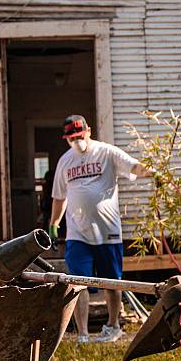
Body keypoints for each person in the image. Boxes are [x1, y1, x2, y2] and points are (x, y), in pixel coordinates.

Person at [48, 115, 154, 344]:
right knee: (77, 284)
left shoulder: (107, 152)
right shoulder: (65, 161)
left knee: (112, 281)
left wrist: (153, 171)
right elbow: (59, 197)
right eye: (71, 138)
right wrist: (54, 223)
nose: (76, 141)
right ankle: (83, 334)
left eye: (79, 136)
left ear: (88, 131)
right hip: (78, 233)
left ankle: (114, 326)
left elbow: (134, 166)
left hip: (108, 231)